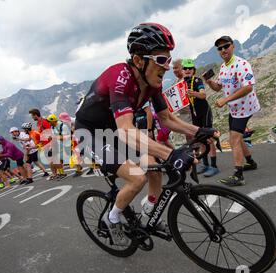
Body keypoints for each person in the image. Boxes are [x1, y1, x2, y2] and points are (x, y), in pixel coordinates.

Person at [75, 23, 218, 245]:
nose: (168, 67)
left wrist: (199, 131)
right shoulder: (119, 76)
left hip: (115, 129)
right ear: (139, 60)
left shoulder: (152, 84)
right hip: (91, 133)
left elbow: (167, 119)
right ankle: (112, 218)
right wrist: (171, 155)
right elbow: (125, 129)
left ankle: (148, 213)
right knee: (137, 177)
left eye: (169, 60)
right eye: (161, 60)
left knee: (154, 169)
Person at [204, 35, 259, 187]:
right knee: (238, 137)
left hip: (245, 106)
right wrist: (209, 82)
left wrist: (226, 100)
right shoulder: (223, 67)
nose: (223, 50)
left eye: (226, 46)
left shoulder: (242, 64)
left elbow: (248, 87)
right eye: (220, 48)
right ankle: (251, 162)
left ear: (233, 46)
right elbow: (218, 87)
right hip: (234, 108)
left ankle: (238, 175)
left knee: (233, 139)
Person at [182, 58, 220, 177]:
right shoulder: (182, 83)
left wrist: (193, 93)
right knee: (200, 138)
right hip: (195, 113)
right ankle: (205, 164)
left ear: (193, 70)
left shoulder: (197, 80)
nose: (187, 70)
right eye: (185, 68)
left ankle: (214, 166)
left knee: (209, 138)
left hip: (204, 111)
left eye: (190, 68)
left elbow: (203, 95)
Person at [47, 114, 69, 180]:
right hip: (58, 144)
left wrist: (54, 137)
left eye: (49, 121)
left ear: (54, 121)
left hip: (67, 144)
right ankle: (59, 173)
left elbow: (65, 137)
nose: (49, 123)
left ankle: (62, 173)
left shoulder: (63, 126)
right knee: (54, 159)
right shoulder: (52, 127)